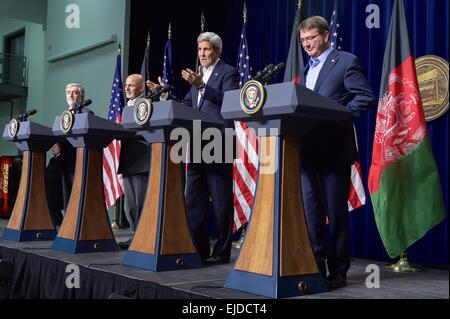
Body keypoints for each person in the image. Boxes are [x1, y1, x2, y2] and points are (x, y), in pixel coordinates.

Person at [298, 16, 374, 289]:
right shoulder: (305, 70)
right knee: (312, 215)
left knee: (336, 214)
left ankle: (338, 271)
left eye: (312, 38)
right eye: (303, 40)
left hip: (334, 152)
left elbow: (364, 97)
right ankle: (315, 267)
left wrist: (338, 116)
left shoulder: (346, 62)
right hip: (306, 153)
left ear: (326, 36)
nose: (307, 44)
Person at [180, 32, 239, 264]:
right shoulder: (198, 78)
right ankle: (198, 249)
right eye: (200, 49)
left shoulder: (228, 72)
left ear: (217, 51)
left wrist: (202, 85)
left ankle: (222, 252)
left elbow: (230, 100)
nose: (202, 54)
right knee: (193, 202)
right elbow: (187, 105)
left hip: (219, 143)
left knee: (221, 203)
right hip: (196, 144)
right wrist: (164, 95)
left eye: (207, 49)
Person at [117, 74, 151, 238]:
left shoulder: (146, 105)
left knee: (140, 203)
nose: (127, 88)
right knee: (129, 206)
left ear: (141, 88)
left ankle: (142, 237)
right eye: (126, 85)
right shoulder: (126, 107)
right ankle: (136, 235)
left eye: (131, 85)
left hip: (141, 161)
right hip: (127, 161)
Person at [45, 143, 64, 226]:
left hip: (56, 189)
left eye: (55, 147)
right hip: (49, 187)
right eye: (52, 147)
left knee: (56, 209)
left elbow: (57, 174)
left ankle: (59, 226)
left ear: (60, 148)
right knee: (51, 209)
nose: (52, 149)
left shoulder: (62, 159)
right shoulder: (52, 159)